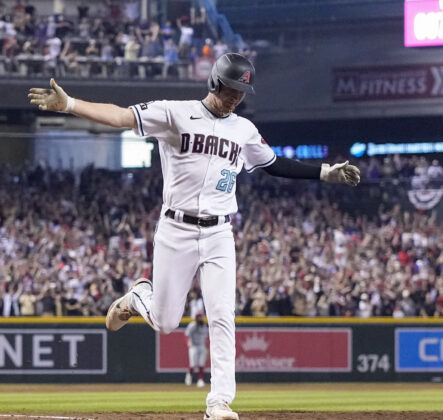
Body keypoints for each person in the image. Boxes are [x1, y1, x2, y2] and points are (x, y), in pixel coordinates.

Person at [28, 52, 360, 420]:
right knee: (167, 323)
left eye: (242, 92)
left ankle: (219, 402)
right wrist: (71, 104)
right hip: (176, 228)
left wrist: (325, 172)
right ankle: (139, 296)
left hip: (219, 231)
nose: (236, 97)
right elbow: (122, 117)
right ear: (215, 82)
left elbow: (273, 163)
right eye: (232, 89)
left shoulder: (243, 129)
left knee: (222, 314)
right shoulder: (175, 112)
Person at [185, 313, 209, 388]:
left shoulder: (204, 326)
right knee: (193, 364)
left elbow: (206, 337)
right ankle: (189, 375)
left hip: (202, 346)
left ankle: (200, 380)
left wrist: (207, 348)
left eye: (201, 318)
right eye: (200, 318)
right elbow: (186, 334)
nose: (201, 319)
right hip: (194, 346)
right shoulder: (192, 325)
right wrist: (188, 341)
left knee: (201, 363)